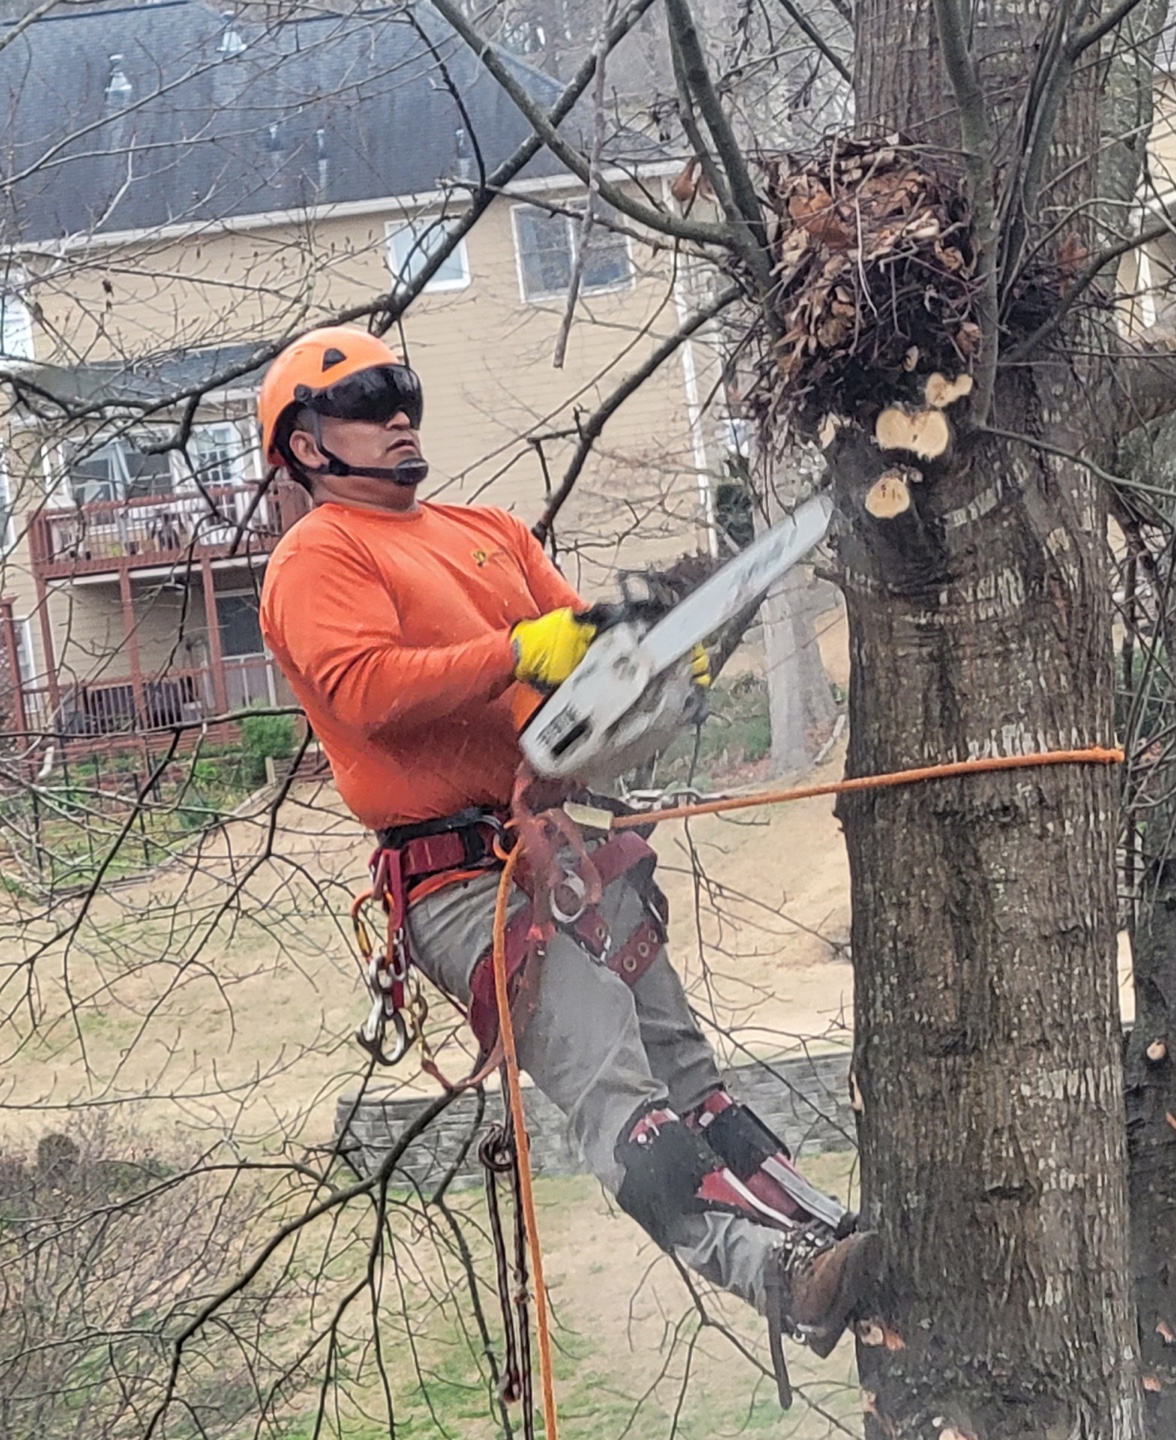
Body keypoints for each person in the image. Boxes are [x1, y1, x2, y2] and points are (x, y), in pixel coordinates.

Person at [256, 326, 879, 1384]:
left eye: (404, 394)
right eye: (365, 403)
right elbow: (364, 687)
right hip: (462, 880)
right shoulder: (321, 555)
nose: (397, 416)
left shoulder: (489, 531)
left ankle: (823, 1232)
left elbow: (580, 663)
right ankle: (773, 1272)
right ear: (308, 445)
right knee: (619, 1093)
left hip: (567, 839)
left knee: (692, 1078)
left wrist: (643, 658)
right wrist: (517, 649)